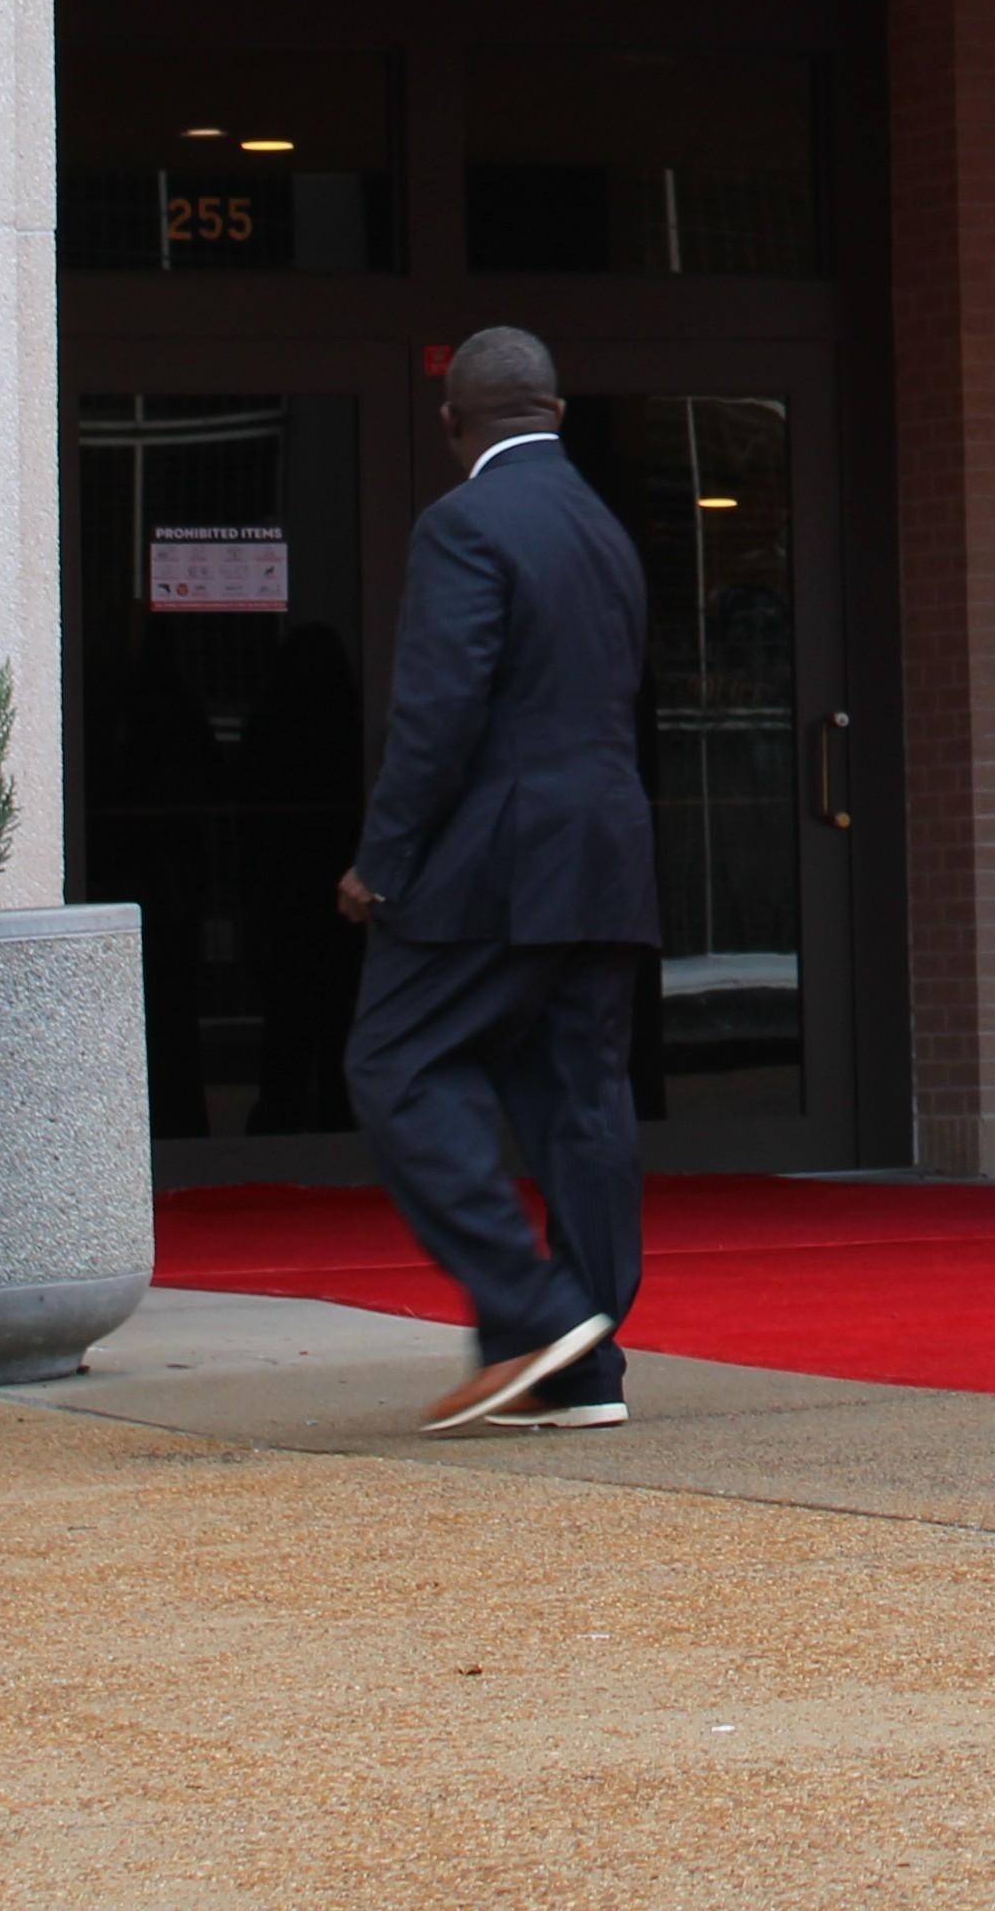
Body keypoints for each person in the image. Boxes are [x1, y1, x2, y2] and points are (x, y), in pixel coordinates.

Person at [338, 329, 657, 1433]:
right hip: (607, 854)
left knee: (395, 1061)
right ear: (555, 412)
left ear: (451, 422)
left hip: (500, 863)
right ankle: (584, 1370)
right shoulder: (607, 527)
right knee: (581, 1099)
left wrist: (381, 863)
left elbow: (439, 713)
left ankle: (532, 1313)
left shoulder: (463, 524)